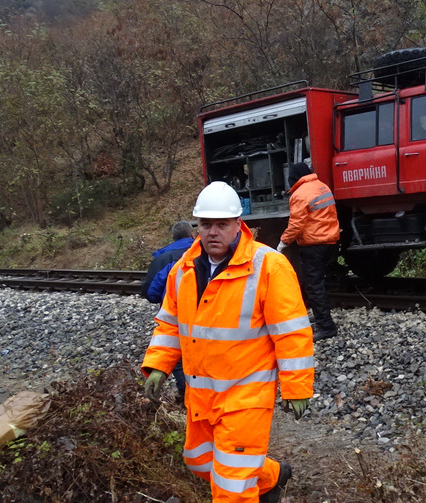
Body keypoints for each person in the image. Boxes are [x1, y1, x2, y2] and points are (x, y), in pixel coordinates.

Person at [142, 181, 313, 503]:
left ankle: (255, 483)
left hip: (246, 393)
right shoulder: (183, 271)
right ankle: (272, 476)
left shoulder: (268, 266)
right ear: (197, 226)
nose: (213, 232)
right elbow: (169, 324)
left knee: (231, 487)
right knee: (200, 460)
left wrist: (297, 387)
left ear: (239, 225)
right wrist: (158, 365)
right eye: (206, 224)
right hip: (202, 395)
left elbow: (291, 331)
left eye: (222, 224)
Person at [277, 162, 340, 342]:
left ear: (294, 179)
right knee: (319, 281)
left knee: (313, 285)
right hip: (330, 241)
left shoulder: (300, 194)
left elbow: (296, 225)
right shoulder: (321, 186)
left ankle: (326, 327)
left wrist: (282, 243)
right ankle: (321, 315)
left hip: (314, 244)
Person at [141, 221, 194, 401]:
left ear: (173, 237)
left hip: (175, 317)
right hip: (205, 317)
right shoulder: (210, 252)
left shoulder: (163, 259)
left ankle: (185, 394)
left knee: (178, 358)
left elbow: (151, 293)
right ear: (192, 234)